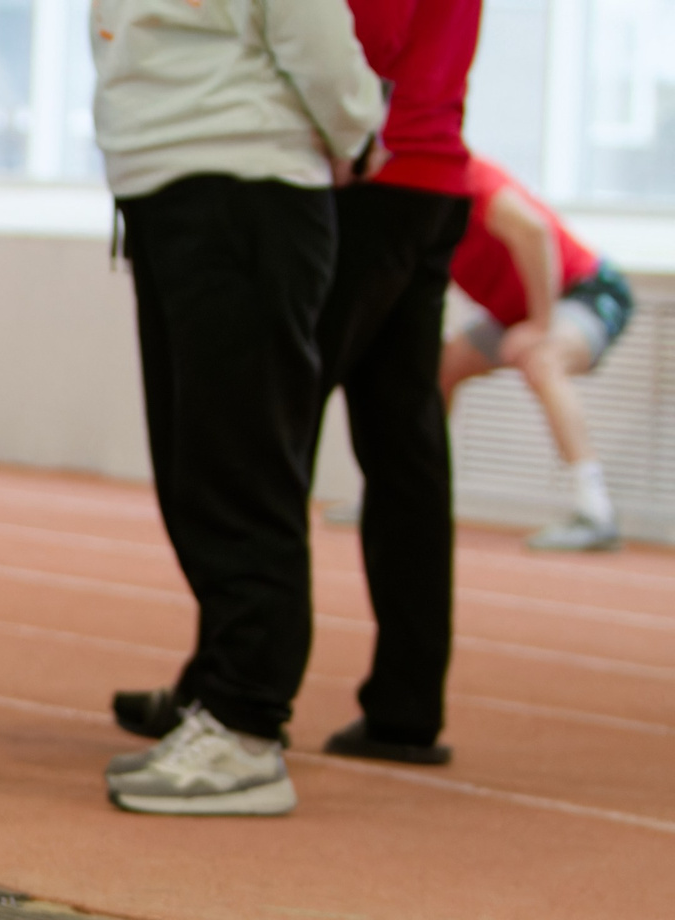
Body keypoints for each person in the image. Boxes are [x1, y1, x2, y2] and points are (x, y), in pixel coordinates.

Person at [119, 0, 481, 771]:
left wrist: (346, 124)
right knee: (406, 452)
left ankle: (227, 691)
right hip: (437, 171)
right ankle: (405, 704)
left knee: (253, 432)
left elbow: (369, 34)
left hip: (368, 176)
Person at [88, 0, 382, 815]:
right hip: (164, 186)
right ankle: (220, 696)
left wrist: (355, 129)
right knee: (195, 470)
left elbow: (317, 36)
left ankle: (248, 726)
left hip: (247, 185)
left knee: (241, 467)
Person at [442, 157, 635, 555]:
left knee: (543, 360)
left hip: (585, 290)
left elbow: (534, 229)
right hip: (513, 313)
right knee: (439, 368)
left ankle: (595, 511)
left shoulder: (469, 177)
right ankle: (405, 492)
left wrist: (541, 323)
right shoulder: (419, 207)